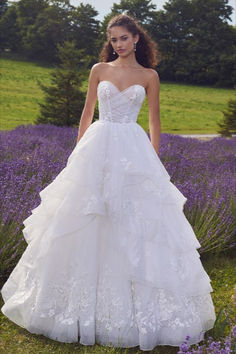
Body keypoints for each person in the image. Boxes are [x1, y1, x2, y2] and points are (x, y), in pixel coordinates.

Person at [1, 14, 216, 351]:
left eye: (124, 38)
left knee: (134, 222)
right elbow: (87, 113)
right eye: (113, 39)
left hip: (133, 149)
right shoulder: (98, 70)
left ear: (137, 39)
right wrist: (77, 155)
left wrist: (154, 161)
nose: (118, 44)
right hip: (97, 149)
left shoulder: (149, 76)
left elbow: (155, 121)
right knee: (85, 217)